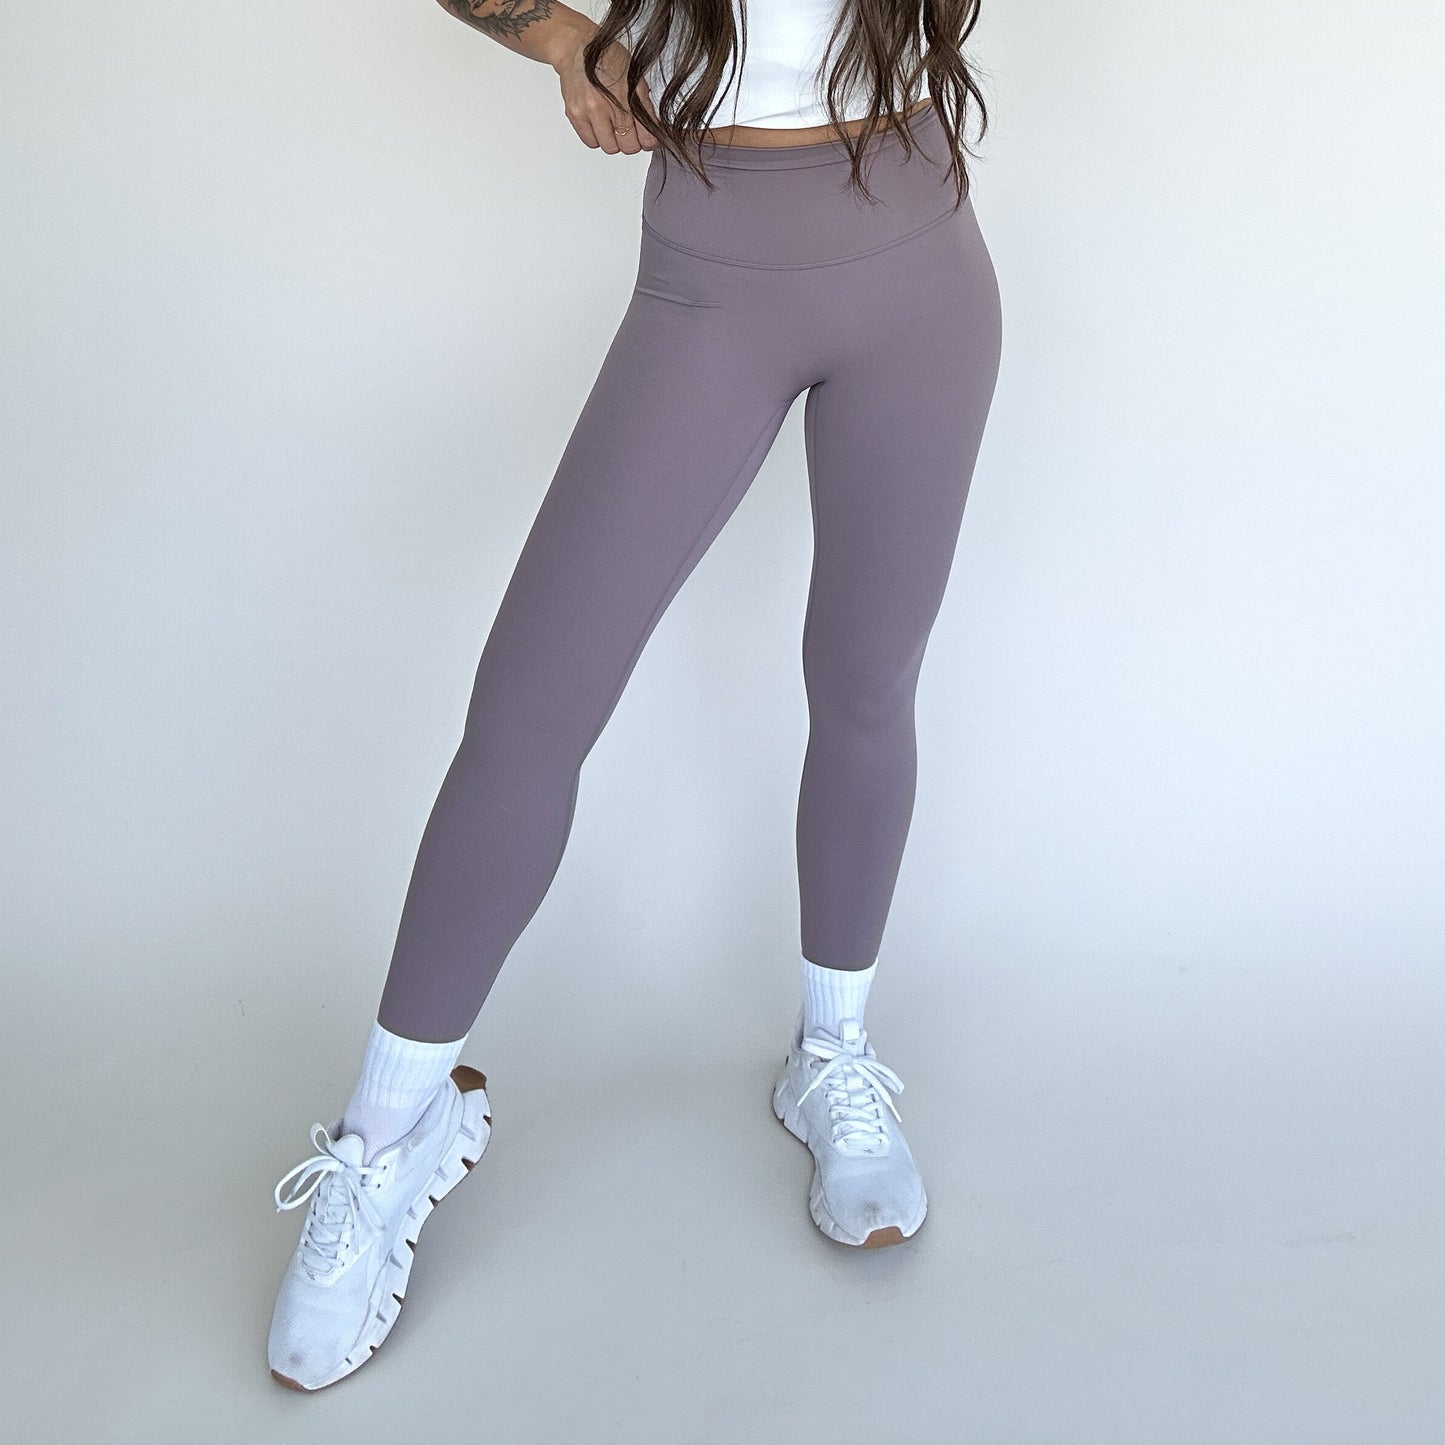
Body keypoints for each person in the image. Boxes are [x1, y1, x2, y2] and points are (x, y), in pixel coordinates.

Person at [267, 0, 1001, 1393]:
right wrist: (560, 40)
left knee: (866, 680)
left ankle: (832, 1053)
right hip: (715, 272)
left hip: (920, 260)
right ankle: (388, 1132)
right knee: (531, 708)